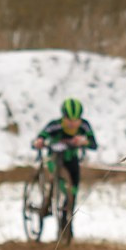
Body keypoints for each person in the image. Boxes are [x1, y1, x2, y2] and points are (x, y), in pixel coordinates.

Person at [32, 97, 98, 235]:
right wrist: (39, 141)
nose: (73, 124)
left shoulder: (84, 126)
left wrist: (83, 141)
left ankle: (67, 220)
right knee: (55, 181)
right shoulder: (54, 125)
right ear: (64, 117)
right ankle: (48, 198)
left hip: (71, 159)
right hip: (54, 159)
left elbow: (93, 143)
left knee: (73, 189)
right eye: (69, 120)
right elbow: (41, 137)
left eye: (76, 120)